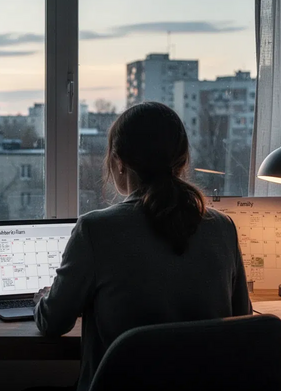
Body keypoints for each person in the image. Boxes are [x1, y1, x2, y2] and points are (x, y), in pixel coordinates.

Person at [33, 102, 252, 391]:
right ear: (183, 161)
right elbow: (243, 321)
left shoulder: (95, 230)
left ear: (119, 162)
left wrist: (42, 298)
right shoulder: (222, 227)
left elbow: (53, 323)